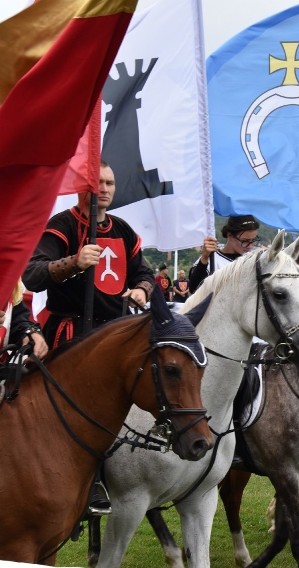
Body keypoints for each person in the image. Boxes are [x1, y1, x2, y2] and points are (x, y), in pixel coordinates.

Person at [22, 160, 155, 516]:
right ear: (83, 187)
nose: (105, 189)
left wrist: (141, 289)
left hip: (113, 331)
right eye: (98, 182)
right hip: (70, 332)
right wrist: (74, 262)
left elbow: (145, 273)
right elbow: (32, 274)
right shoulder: (62, 225)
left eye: (110, 182)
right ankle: (87, 478)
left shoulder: (124, 231)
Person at [188, 215, 260, 293]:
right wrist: (204, 258)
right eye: (245, 241)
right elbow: (194, 290)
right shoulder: (212, 260)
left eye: (253, 240)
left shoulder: (254, 262)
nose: (250, 246)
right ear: (230, 235)